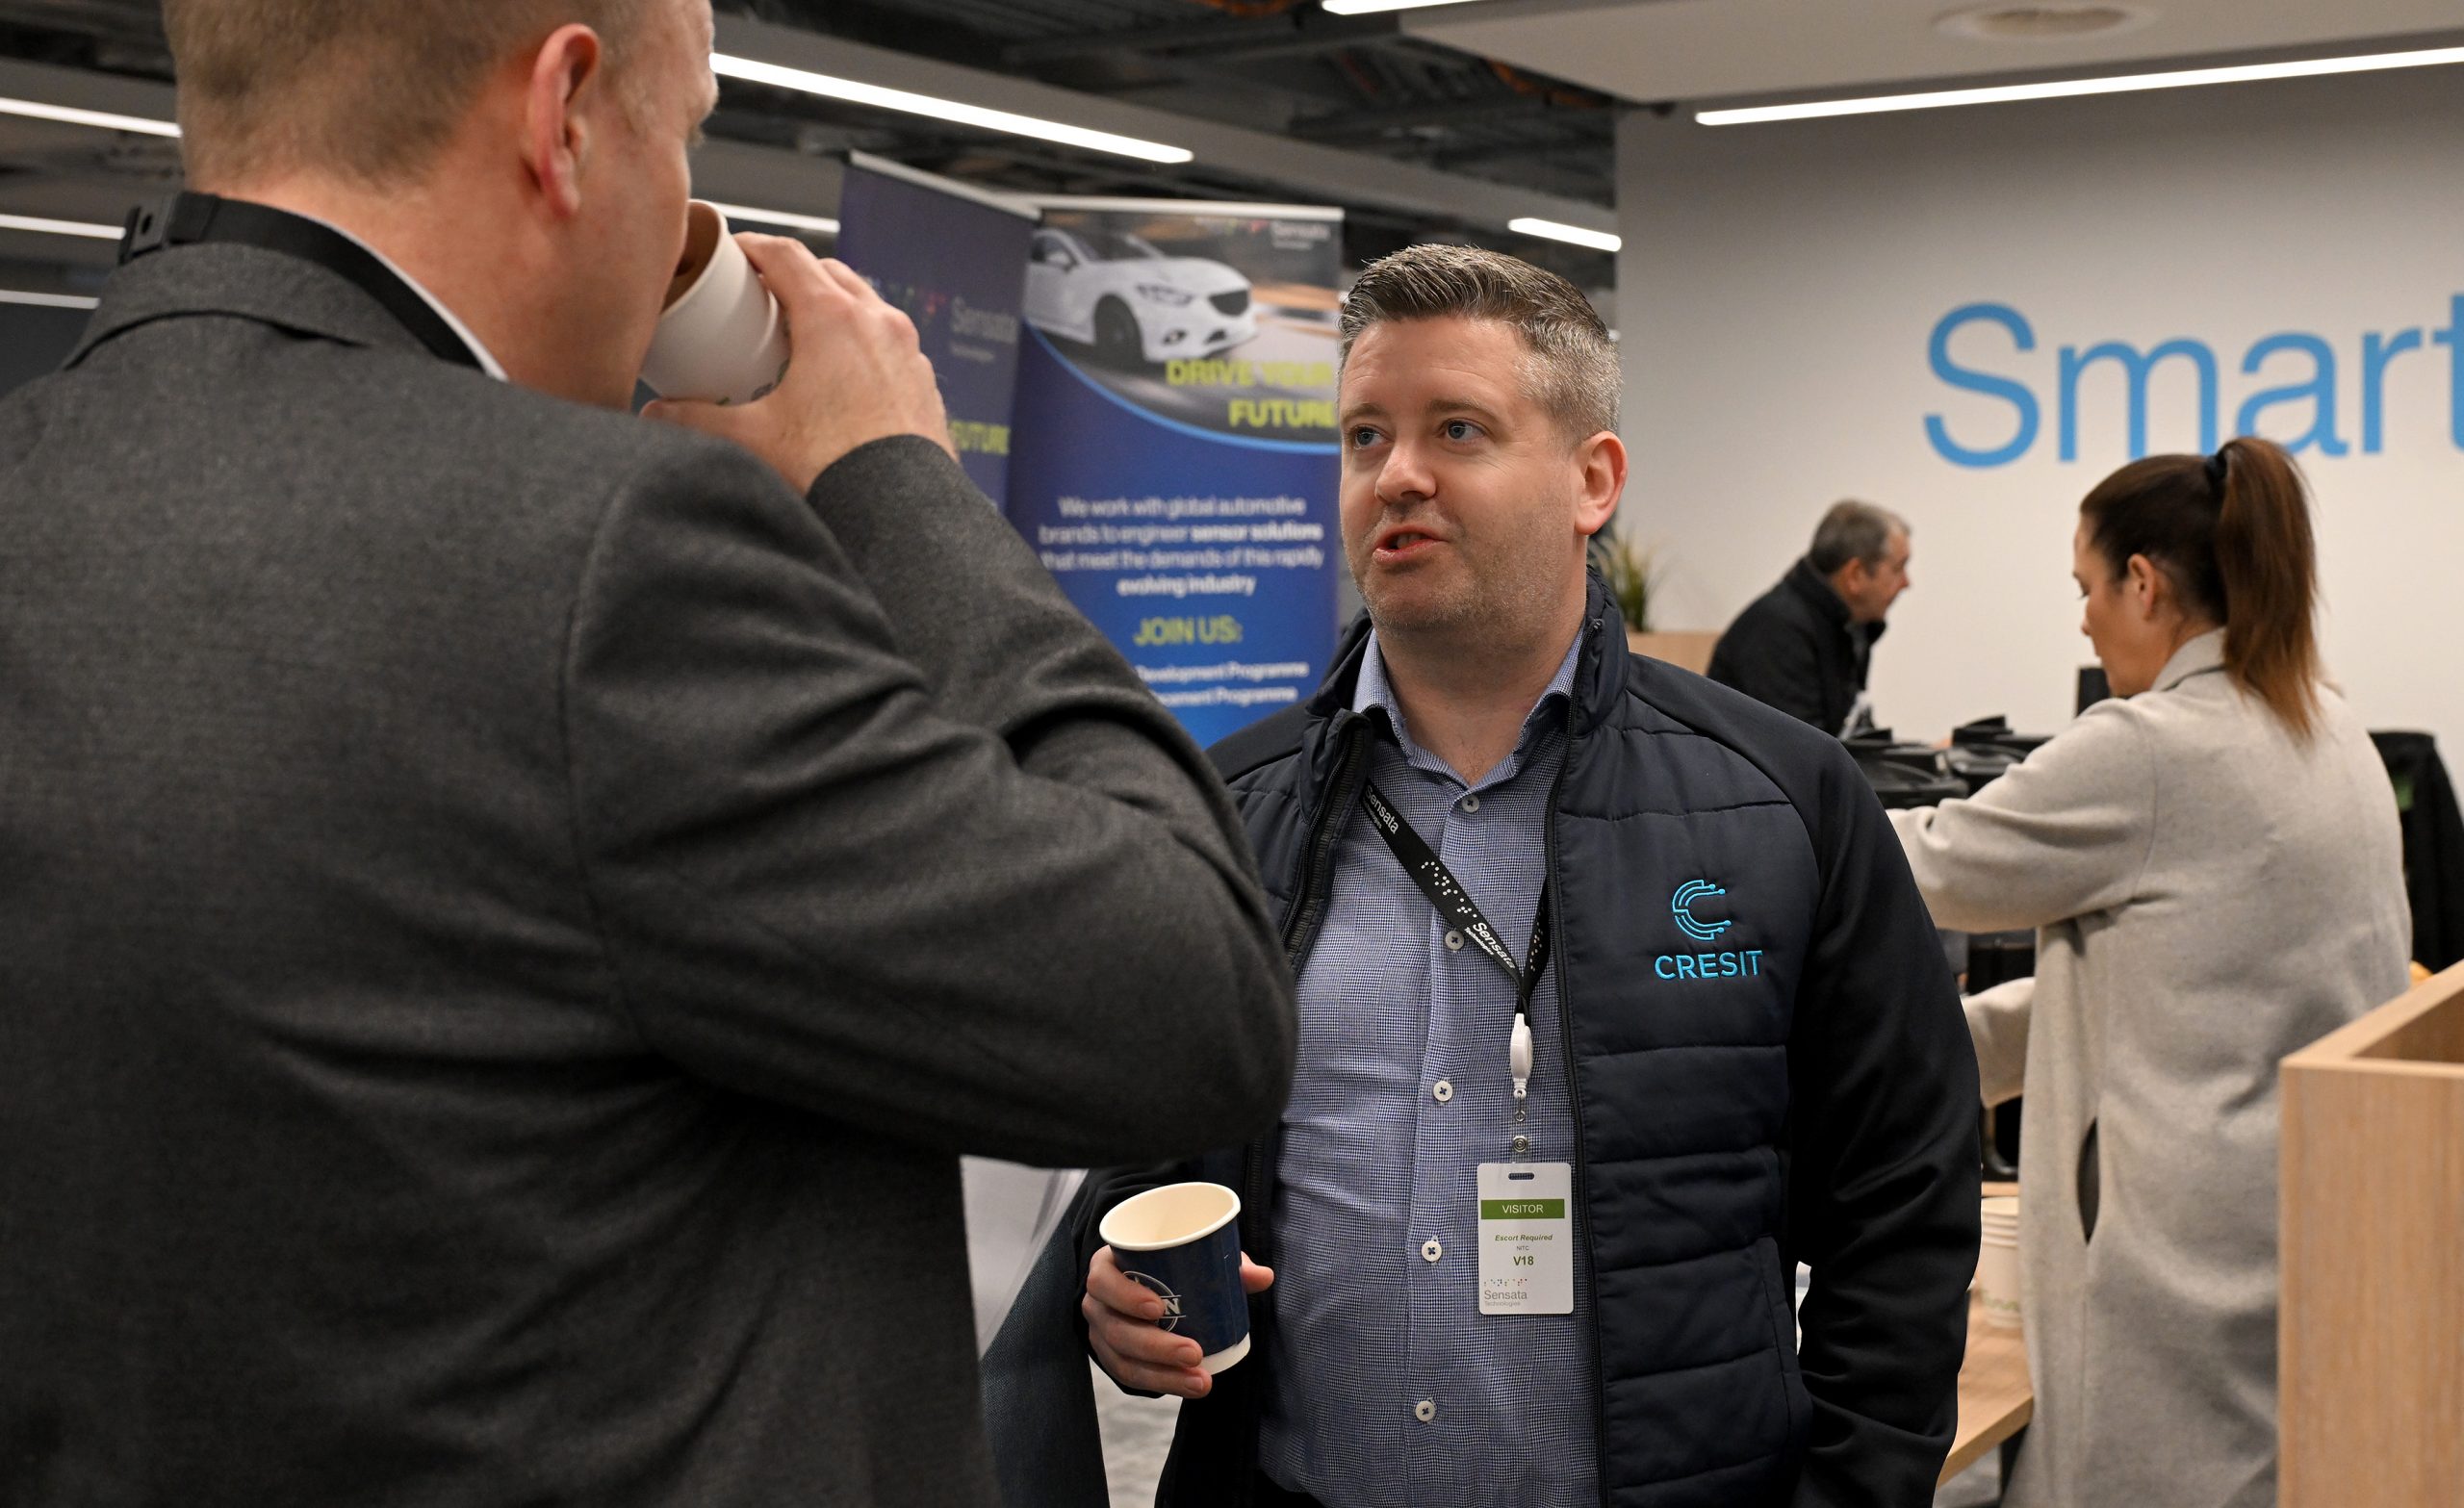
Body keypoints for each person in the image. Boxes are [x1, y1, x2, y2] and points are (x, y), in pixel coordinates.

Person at [0, 2, 1296, 1504]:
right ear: (564, 114)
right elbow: (1190, 990)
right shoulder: (599, 555)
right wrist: (896, 482)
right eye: (683, 133)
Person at [1075, 245, 1980, 1508]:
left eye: (1458, 428)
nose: (1398, 474)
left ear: (1590, 480)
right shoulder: (1229, 807)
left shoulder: (1785, 801)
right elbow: (1151, 1144)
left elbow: (1903, 1203)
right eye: (1364, 436)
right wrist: (1116, 1278)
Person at [1889, 437, 2409, 1508]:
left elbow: (1931, 864)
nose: (2082, 619)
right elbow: (2175, 988)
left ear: (2143, 583)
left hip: (2164, 1266)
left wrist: (1762, 810)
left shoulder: (2152, 747)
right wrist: (1942, 1052)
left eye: (2085, 586)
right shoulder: (2330, 729)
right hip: (2285, 1243)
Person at [1708, 500, 1912, 735]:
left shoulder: (1847, 626)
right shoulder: (1779, 630)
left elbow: (1848, 732)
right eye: (1898, 568)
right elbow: (1798, 747)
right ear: (1855, 575)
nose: (1906, 583)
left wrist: (1927, 753)